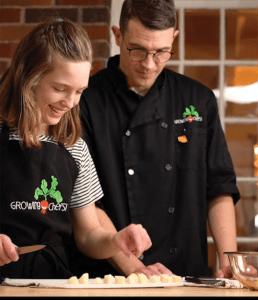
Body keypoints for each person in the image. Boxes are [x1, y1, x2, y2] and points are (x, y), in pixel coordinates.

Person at [76, 0, 240, 278]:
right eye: (138, 51)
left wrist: (229, 262)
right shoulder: (86, 101)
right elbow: (88, 203)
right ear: (118, 36)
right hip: (112, 277)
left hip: (187, 273)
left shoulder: (198, 99)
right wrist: (138, 271)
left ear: (174, 38)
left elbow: (219, 188)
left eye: (162, 52)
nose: (150, 64)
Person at [0, 17, 152, 282]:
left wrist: (116, 239)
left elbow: (88, 235)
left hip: (53, 282)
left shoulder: (74, 146)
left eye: (80, 91)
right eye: (60, 89)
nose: (70, 103)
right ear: (29, 77)